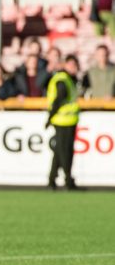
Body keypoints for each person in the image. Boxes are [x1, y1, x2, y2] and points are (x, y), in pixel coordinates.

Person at [45, 54, 81, 191]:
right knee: (65, 152)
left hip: (66, 120)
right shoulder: (63, 79)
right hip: (63, 121)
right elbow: (59, 98)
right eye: (71, 65)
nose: (74, 68)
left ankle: (52, 180)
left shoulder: (67, 79)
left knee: (59, 151)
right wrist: (50, 117)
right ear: (65, 65)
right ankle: (67, 180)